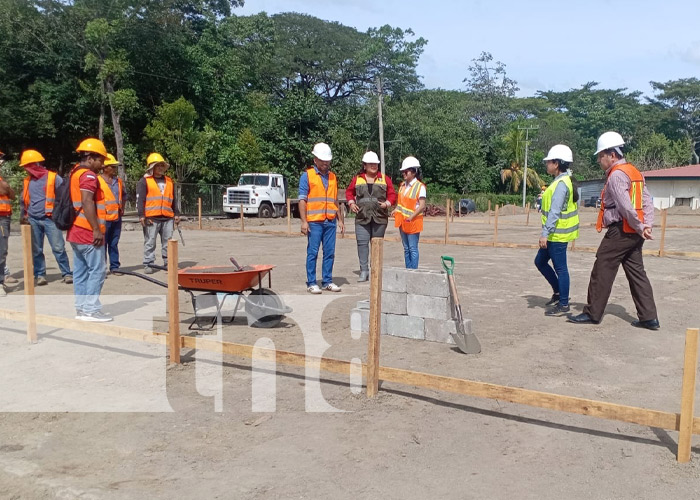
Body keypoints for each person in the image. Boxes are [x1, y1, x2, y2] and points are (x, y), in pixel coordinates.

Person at [568, 132, 659, 330]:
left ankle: (592, 313)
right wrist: (646, 225)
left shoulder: (617, 175)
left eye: (601, 156)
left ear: (612, 154)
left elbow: (625, 207)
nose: (600, 160)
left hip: (621, 230)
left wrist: (639, 225)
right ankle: (649, 317)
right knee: (636, 272)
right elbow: (647, 202)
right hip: (634, 232)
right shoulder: (634, 172)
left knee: (602, 267)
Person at [67, 138, 112, 322]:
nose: (102, 165)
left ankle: (82, 308)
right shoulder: (89, 176)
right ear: (90, 157)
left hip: (75, 231)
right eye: (100, 160)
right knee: (98, 270)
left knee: (80, 271)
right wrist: (96, 229)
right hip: (87, 232)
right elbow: (87, 201)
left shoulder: (75, 173)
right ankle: (90, 310)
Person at [535, 145, 580, 317]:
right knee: (540, 262)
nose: (546, 164)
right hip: (555, 233)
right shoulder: (561, 180)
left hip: (557, 234)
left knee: (561, 269)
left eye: (549, 161)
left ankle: (563, 303)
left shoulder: (561, 184)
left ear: (557, 163)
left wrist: (545, 234)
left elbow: (554, 212)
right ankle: (558, 293)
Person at [19, 149, 72, 286]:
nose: (26, 169)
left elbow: (64, 195)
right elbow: (23, 200)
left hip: (50, 219)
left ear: (35, 164)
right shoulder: (27, 181)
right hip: (33, 219)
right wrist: (23, 215)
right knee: (37, 250)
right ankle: (40, 275)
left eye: (27, 166)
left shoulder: (53, 178)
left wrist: (61, 214)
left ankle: (66, 273)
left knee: (58, 247)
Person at [299, 142, 345, 294]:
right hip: (314, 221)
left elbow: (335, 200)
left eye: (327, 161)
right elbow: (302, 200)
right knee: (313, 252)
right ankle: (311, 282)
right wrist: (304, 221)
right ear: (315, 160)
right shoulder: (307, 176)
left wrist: (340, 220)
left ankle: (327, 281)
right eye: (323, 161)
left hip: (330, 220)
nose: (326, 164)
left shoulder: (333, 177)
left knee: (330, 252)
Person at [345, 151, 397, 282]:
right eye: (371, 163)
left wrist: (387, 203)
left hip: (380, 218)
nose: (374, 165)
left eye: (375, 163)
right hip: (362, 217)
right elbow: (349, 192)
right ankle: (364, 271)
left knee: (376, 245)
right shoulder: (357, 179)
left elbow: (392, 195)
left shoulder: (385, 179)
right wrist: (351, 203)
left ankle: (375, 270)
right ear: (365, 165)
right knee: (362, 244)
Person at [136, 153, 180, 274]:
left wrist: (176, 213)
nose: (160, 168)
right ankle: (148, 263)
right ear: (152, 167)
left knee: (168, 242)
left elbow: (173, 199)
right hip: (151, 217)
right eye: (158, 165)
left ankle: (168, 263)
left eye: (162, 165)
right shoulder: (144, 181)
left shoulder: (169, 181)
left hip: (167, 217)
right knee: (150, 242)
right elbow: (140, 200)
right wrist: (141, 215)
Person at [393, 156, 426, 269]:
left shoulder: (420, 187)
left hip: (413, 222)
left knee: (412, 248)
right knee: (406, 249)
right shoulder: (402, 185)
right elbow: (401, 203)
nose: (404, 173)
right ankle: (408, 270)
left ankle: (414, 272)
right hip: (403, 222)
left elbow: (421, 206)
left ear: (413, 172)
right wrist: (396, 210)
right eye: (403, 171)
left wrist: (411, 217)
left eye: (406, 171)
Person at [100, 153, 126, 273]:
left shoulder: (118, 181)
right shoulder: (98, 181)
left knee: (114, 243)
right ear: (105, 167)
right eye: (112, 166)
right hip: (103, 218)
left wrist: (122, 209)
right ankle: (101, 268)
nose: (114, 169)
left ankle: (115, 266)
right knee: (102, 244)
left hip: (116, 217)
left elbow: (124, 195)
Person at [0, 149, 16, 297]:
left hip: (4, 217)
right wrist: (5, 187)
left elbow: (11, 194)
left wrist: (6, 187)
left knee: (2, 250)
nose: (2, 161)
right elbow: (5, 189)